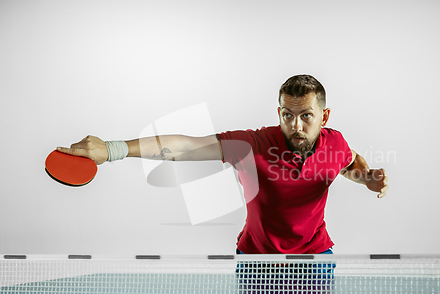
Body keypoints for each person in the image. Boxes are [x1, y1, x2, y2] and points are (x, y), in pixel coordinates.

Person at [57, 75, 388, 254]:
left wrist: (367, 177)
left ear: (324, 117)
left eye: (306, 116)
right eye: (287, 115)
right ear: (279, 113)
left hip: (315, 258)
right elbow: (186, 146)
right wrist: (113, 149)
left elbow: (349, 162)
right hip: (257, 261)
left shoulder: (335, 142)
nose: (295, 126)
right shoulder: (251, 145)